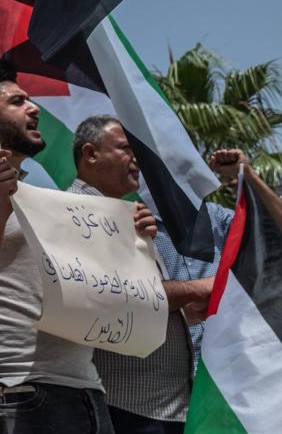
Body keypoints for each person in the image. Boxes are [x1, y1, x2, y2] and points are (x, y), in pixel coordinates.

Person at [0, 60, 157, 434]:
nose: (34, 108)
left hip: (87, 390)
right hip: (18, 395)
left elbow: (92, 284)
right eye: (18, 102)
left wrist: (132, 242)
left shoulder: (43, 197)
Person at [79, 123, 281, 434]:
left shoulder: (219, 220)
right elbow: (114, 296)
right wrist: (195, 292)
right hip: (155, 399)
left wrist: (248, 176)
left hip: (230, 388)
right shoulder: (131, 222)